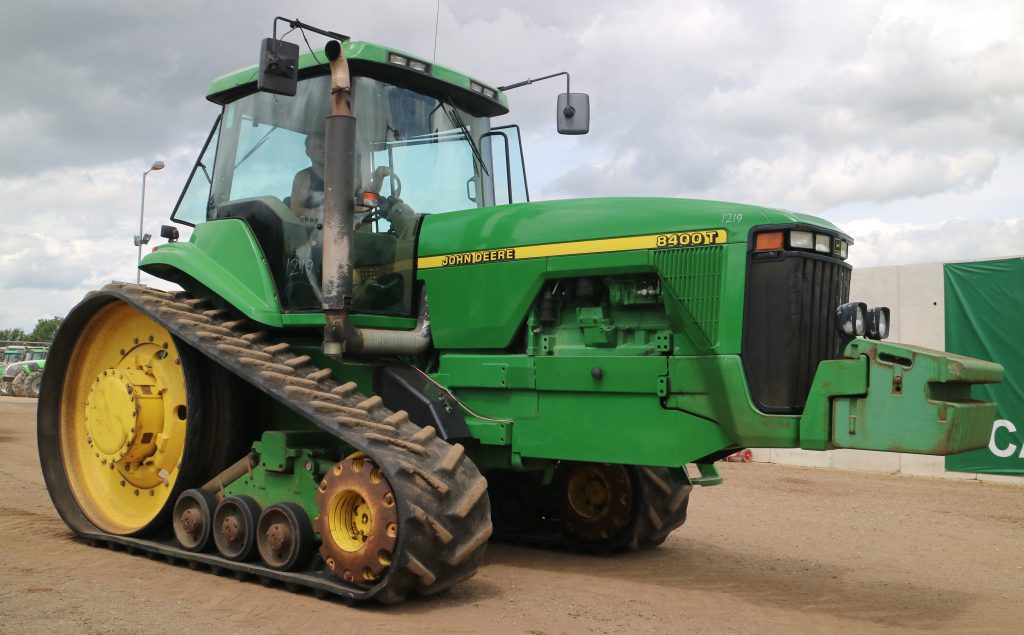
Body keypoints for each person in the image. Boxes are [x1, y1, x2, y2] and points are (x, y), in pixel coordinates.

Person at [290, 132, 325, 221]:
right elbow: (296, 209)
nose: (324, 150)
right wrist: (325, 216)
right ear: (308, 152)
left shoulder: (339, 178)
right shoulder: (303, 177)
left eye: (328, 146)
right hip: (312, 230)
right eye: (319, 147)